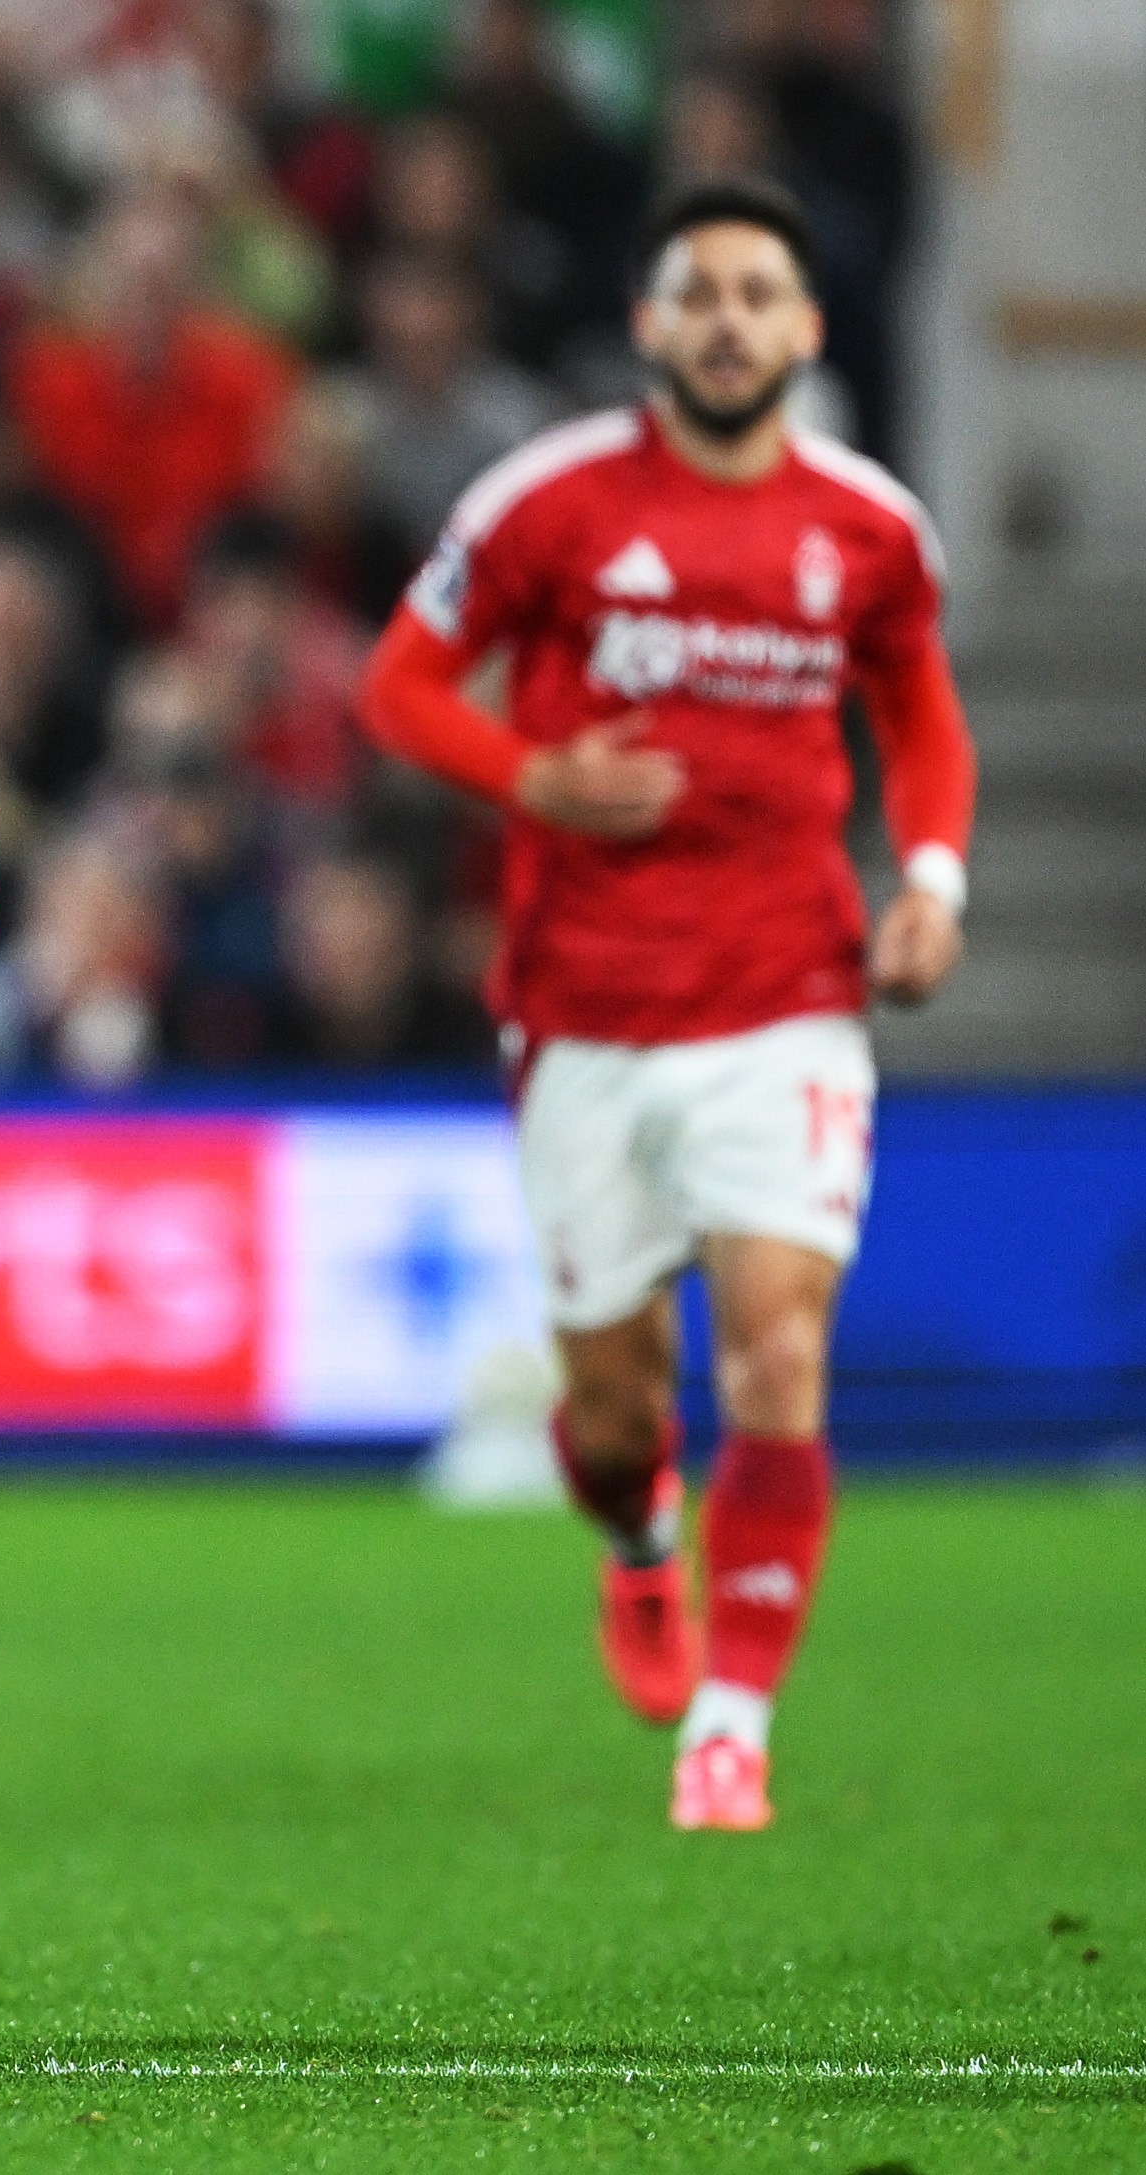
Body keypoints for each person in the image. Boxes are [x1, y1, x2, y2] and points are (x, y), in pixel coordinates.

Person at [355, 178, 975, 1832]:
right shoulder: (542, 505)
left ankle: (733, 1723)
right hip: (581, 1010)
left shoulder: (867, 527)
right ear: (647, 325)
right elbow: (398, 688)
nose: (724, 319)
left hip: (785, 995)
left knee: (778, 1348)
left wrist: (931, 878)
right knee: (618, 1407)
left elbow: (919, 717)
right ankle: (638, 1547)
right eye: (694, 292)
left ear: (805, 328)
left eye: (756, 293)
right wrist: (530, 769)